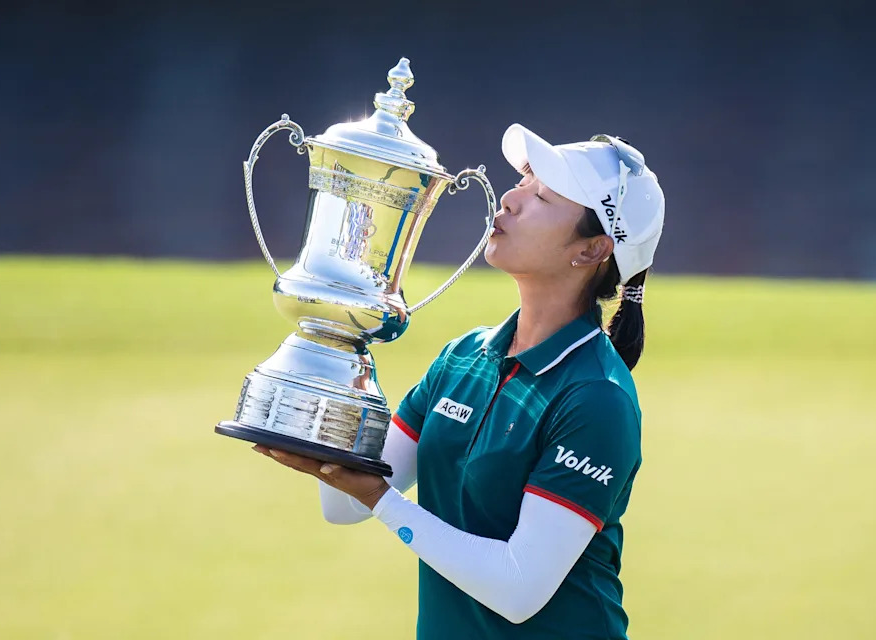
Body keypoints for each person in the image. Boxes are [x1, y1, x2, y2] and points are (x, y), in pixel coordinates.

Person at [253, 123, 665, 639]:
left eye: (542, 196)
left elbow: (519, 589)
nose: (511, 200)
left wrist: (381, 500)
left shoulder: (595, 397)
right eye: (524, 181)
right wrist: (340, 351)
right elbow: (340, 506)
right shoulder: (464, 357)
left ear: (591, 249)